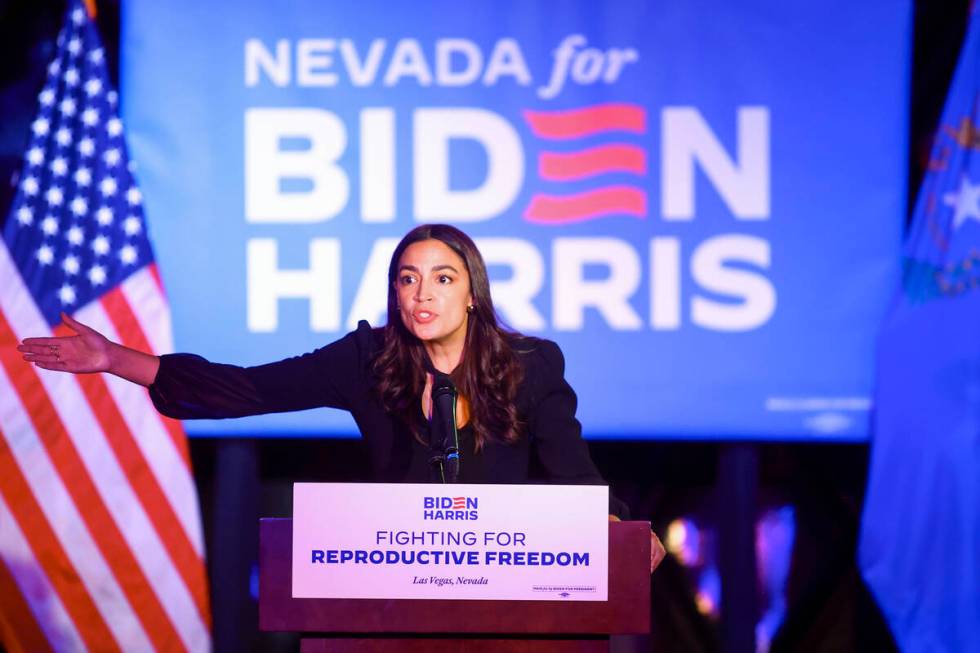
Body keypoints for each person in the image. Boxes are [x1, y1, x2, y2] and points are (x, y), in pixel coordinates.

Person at [19, 224, 665, 571]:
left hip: (508, 589)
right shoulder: (369, 360)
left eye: (443, 278)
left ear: (473, 293)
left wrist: (616, 527)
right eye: (408, 279)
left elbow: (576, 476)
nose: (423, 294)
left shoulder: (528, 366)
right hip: (395, 589)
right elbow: (246, 387)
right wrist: (115, 358)